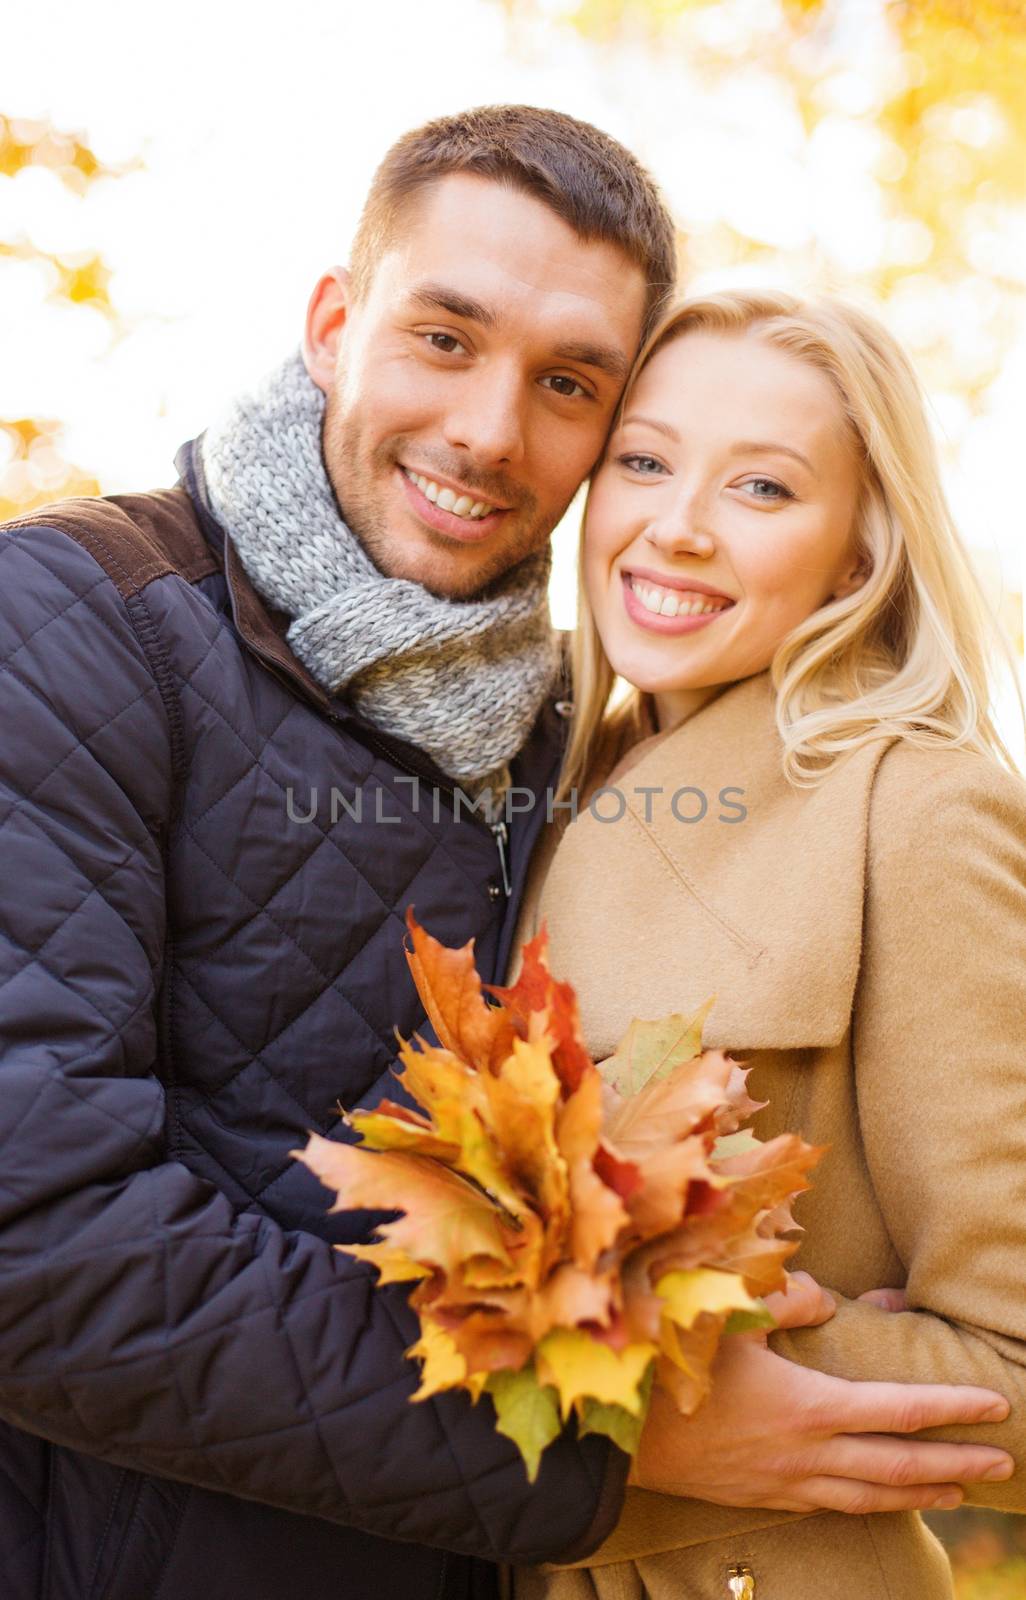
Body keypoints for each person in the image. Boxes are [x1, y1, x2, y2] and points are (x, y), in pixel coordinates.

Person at [0, 107, 1012, 1600]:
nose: (486, 432)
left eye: (566, 385)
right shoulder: (78, 625)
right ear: (335, 325)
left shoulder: (560, 737)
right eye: (444, 338)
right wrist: (596, 1427)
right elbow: (39, 1238)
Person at [508, 289, 1026, 1599]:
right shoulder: (531, 777)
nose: (674, 526)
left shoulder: (915, 807)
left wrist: (655, 1384)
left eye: (760, 487)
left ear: (856, 554)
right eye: (643, 460)